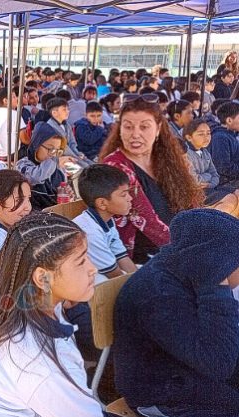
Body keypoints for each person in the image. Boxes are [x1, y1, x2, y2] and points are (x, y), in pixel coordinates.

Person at [0, 212, 184, 417]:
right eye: (81, 261)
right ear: (42, 278)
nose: (93, 269)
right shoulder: (39, 364)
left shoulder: (25, 303)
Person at [114, 209, 239, 417]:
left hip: (195, 376)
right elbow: (218, 363)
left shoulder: (189, 267)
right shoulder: (158, 294)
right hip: (167, 397)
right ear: (218, 262)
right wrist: (216, 290)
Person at [101, 95, 204, 264]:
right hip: (145, 256)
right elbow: (147, 222)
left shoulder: (165, 158)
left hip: (177, 244)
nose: (135, 134)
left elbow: (191, 202)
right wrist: (189, 250)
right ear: (119, 129)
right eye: (128, 127)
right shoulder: (115, 165)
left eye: (144, 127)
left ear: (158, 129)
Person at [73, 164, 137, 283]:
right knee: (101, 280)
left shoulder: (107, 219)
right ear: (102, 203)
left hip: (102, 270)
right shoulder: (89, 232)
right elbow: (113, 273)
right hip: (77, 280)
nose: (130, 198)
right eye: (123, 195)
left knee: (141, 272)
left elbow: (121, 256)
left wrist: (139, 280)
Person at [16, 121, 77, 211]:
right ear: (36, 144)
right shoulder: (23, 165)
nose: (53, 154)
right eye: (50, 148)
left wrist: (68, 195)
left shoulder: (59, 169)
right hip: (32, 216)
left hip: (54, 214)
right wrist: (55, 161)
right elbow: (36, 177)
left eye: (57, 151)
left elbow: (62, 194)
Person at [0, 88, 27, 161]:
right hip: (10, 155)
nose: (17, 99)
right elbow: (24, 139)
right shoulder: (14, 114)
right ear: (5, 101)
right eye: (13, 97)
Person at [209, 101, 239, 188]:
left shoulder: (230, 135)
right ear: (229, 120)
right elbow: (223, 167)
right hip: (225, 183)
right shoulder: (220, 137)